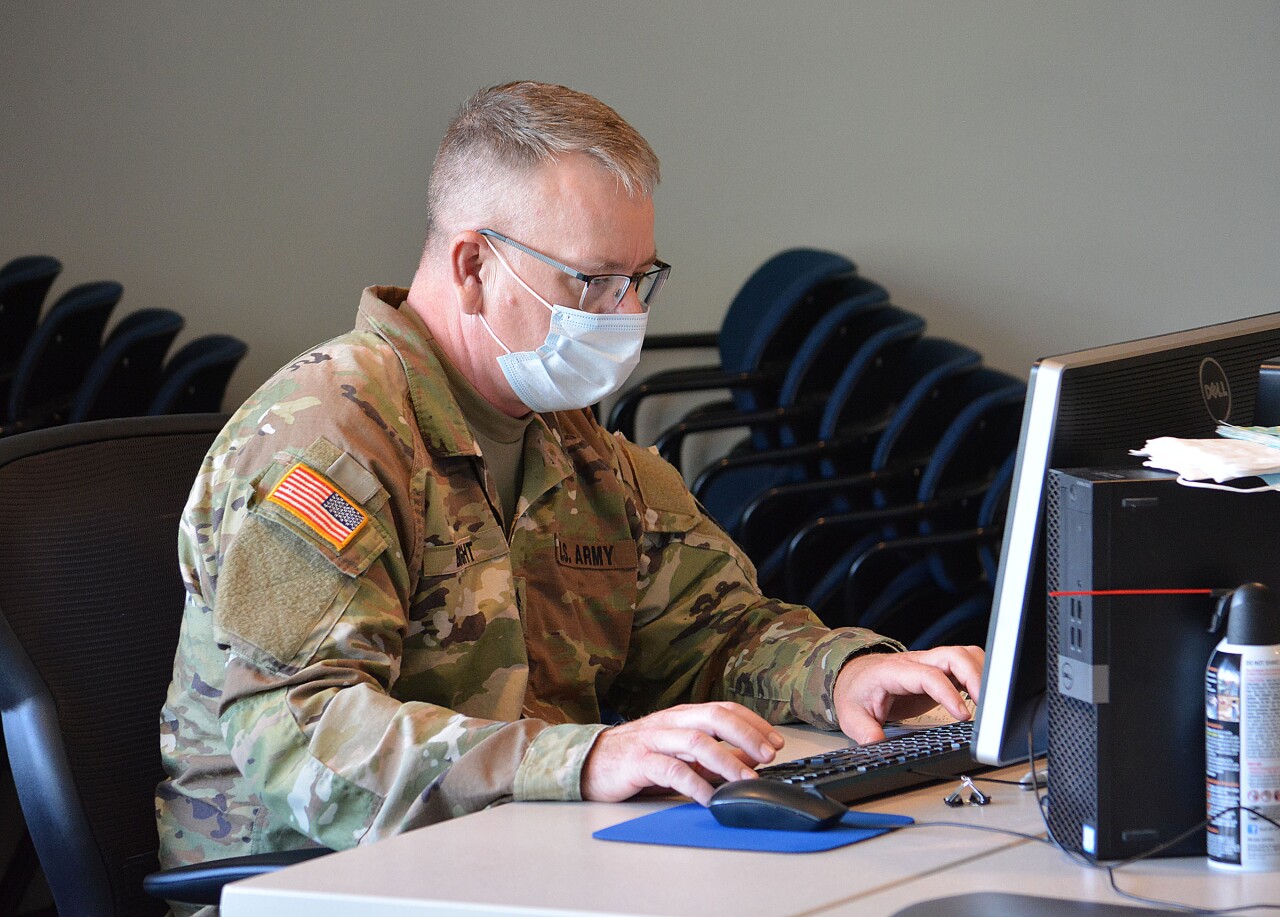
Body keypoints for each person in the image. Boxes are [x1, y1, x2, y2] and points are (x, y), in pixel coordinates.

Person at [156, 80, 982, 908]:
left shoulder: (572, 441)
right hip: (316, 885)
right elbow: (301, 732)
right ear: (473, 266)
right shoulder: (328, 437)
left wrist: (843, 674)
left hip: (520, 865)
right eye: (592, 281)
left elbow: (712, 634)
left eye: (639, 279)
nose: (624, 313)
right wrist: (582, 759)